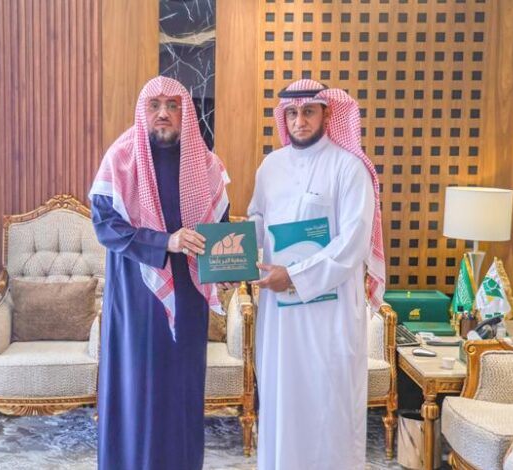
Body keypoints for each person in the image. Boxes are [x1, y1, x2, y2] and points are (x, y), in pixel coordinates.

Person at [89, 76, 230, 470]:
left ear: (186, 112)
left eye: (172, 105)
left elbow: (220, 229)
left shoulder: (206, 165)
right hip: (134, 296)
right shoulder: (120, 159)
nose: (163, 113)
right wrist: (165, 242)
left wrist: (228, 267)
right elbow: (105, 226)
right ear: (143, 111)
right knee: (135, 386)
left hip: (187, 296)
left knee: (181, 387)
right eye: (155, 105)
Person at [249, 79, 386, 469]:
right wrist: (227, 253)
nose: (300, 121)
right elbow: (258, 221)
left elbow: (352, 243)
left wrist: (294, 276)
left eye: (308, 111)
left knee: (329, 403)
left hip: (330, 313)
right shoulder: (271, 166)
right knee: (282, 399)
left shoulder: (349, 168)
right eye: (292, 113)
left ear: (327, 114)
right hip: (280, 317)